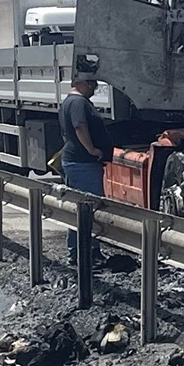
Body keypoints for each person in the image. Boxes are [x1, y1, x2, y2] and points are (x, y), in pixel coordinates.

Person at [58, 78, 112, 260]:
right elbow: (80, 126)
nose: (94, 89)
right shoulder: (78, 103)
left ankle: (85, 251)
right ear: (82, 83)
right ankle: (83, 253)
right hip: (82, 163)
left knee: (82, 208)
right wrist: (92, 149)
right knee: (89, 207)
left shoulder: (71, 101)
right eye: (92, 85)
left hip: (79, 162)